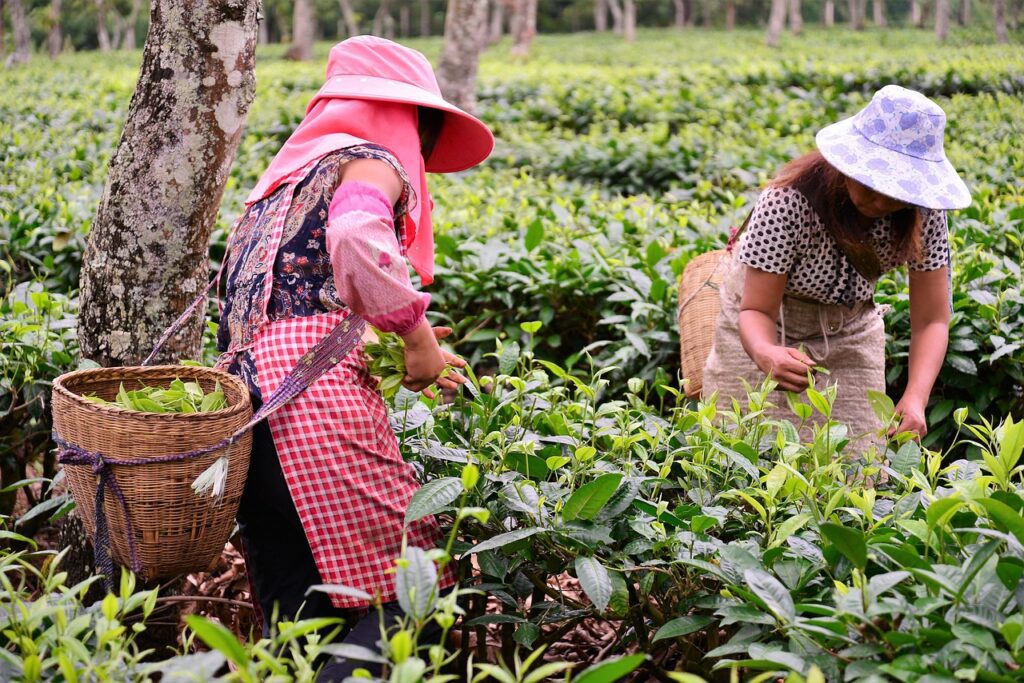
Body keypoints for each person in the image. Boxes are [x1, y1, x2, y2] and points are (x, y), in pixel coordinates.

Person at [215, 36, 494, 680]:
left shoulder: (280, 187)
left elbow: (294, 304)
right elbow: (356, 237)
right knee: (418, 588)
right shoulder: (371, 161)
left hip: (247, 410)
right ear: (407, 117)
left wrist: (400, 341)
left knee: (298, 618)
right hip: (312, 409)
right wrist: (414, 335)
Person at [702, 85, 970, 448]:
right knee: (741, 452)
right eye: (872, 184)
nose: (881, 202)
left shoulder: (924, 213)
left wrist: (916, 398)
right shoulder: (787, 201)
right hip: (762, 324)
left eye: (897, 193)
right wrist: (766, 352)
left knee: (859, 462)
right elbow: (756, 310)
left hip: (850, 329)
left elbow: (932, 319)